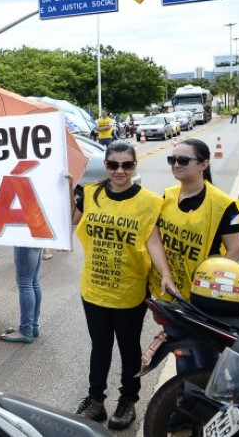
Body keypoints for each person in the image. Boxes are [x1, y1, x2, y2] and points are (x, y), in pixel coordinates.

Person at [72, 140, 176, 429]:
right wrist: (67, 190)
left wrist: (165, 274)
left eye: (126, 165)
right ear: (105, 165)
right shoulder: (90, 194)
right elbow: (69, 220)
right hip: (93, 288)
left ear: (134, 166)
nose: (119, 171)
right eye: (113, 165)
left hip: (129, 290)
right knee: (100, 346)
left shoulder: (149, 202)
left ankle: (128, 401)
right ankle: (95, 401)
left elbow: (153, 241)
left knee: (129, 348)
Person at [149, 138, 239, 374]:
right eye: (172, 159)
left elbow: (235, 250)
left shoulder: (223, 204)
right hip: (173, 293)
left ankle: (207, 408)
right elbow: (156, 240)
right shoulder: (167, 197)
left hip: (203, 301)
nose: (176, 164)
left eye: (183, 160)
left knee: (206, 361)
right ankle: (183, 403)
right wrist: (166, 274)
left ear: (203, 164)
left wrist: (208, 287)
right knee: (182, 355)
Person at [0, 246, 43, 344]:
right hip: (37, 234)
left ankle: (26, 331)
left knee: (25, 283)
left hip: (25, 236)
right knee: (33, 281)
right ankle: (33, 327)